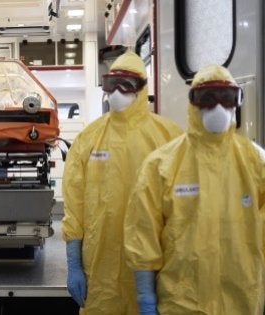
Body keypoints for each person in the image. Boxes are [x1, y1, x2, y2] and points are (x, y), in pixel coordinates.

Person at [124, 64, 265, 314]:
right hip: (181, 303)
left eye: (227, 98)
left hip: (243, 302)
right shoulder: (161, 165)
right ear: (192, 103)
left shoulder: (260, 165)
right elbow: (143, 234)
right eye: (206, 98)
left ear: (237, 103)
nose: (217, 107)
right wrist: (145, 296)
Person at [61, 51, 182, 314]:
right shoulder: (88, 139)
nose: (116, 92)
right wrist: (73, 263)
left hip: (155, 265)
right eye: (110, 84)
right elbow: (74, 202)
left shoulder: (169, 136)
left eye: (125, 85)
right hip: (100, 267)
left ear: (141, 88)